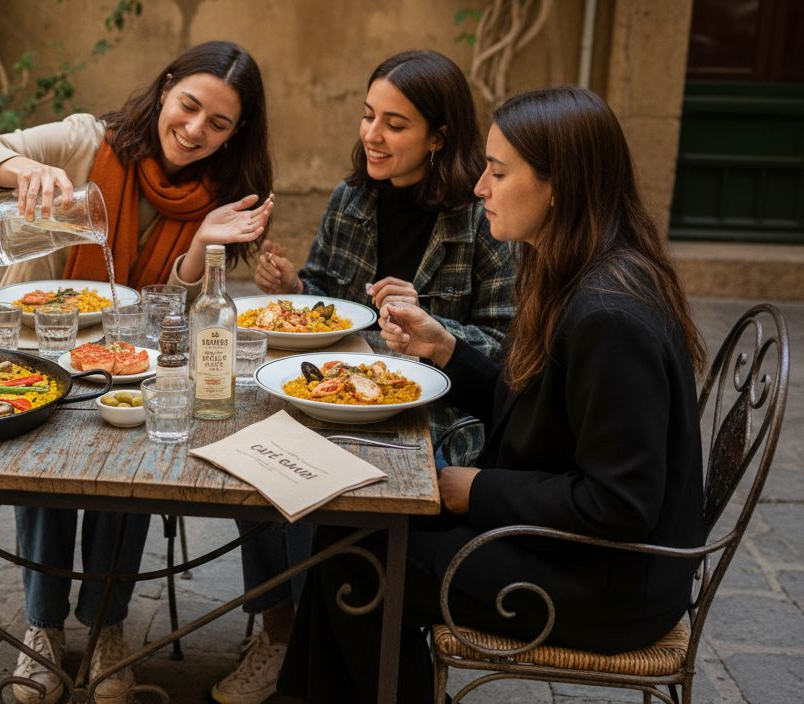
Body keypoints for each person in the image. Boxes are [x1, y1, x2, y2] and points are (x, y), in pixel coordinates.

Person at [275, 85, 707, 703]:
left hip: (602, 585)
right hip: (573, 552)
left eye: (498, 173)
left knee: (359, 555)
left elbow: (620, 504)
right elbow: (535, 408)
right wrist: (445, 350)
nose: (479, 187)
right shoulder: (575, 266)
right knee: (355, 533)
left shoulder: (609, 314)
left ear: (560, 185)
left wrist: (474, 489)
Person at [0, 40, 274, 704]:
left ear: (236, 135)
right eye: (189, 106)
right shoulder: (86, 142)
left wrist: (202, 244)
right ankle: (43, 628)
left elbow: (175, 316)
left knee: (133, 466)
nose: (195, 130)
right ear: (166, 87)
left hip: (133, 366)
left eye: (219, 123)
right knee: (45, 467)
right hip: (39, 349)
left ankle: (109, 625)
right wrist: (20, 168)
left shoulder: (222, 194)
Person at [213, 50, 514, 704]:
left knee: (323, 488)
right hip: (336, 387)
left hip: (435, 414)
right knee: (256, 468)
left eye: (395, 124)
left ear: (439, 136)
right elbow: (328, 294)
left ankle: (329, 646)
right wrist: (293, 286)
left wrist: (431, 325)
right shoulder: (354, 198)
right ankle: (281, 632)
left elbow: (506, 347)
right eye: (368, 115)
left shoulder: (480, 216)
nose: (372, 135)